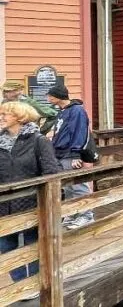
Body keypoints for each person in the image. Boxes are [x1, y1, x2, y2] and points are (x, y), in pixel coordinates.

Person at [0, 101, 60, 282]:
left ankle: (36, 281)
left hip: (31, 203)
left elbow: (50, 172)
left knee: (33, 244)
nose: (1, 117)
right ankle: (20, 283)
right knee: (6, 245)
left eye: (5, 114)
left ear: (20, 117)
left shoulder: (38, 140)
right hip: (3, 205)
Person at [47, 84, 93, 228]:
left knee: (78, 185)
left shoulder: (76, 110)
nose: (48, 98)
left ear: (57, 96)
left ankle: (86, 214)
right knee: (67, 187)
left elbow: (79, 132)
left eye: (50, 96)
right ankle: (73, 213)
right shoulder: (62, 111)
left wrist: (76, 154)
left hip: (70, 154)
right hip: (60, 153)